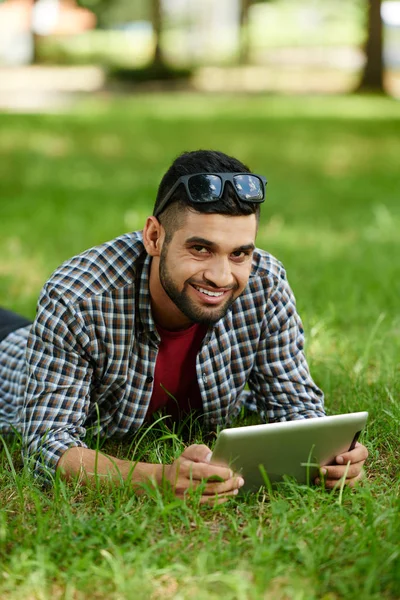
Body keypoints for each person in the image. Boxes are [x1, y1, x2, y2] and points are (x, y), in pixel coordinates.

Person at [0, 150, 368, 503]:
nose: (221, 276)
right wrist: (159, 479)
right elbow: (46, 449)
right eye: (201, 249)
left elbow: (295, 406)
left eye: (239, 252)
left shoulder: (265, 283)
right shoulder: (77, 297)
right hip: (10, 354)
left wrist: (332, 455)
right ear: (154, 237)